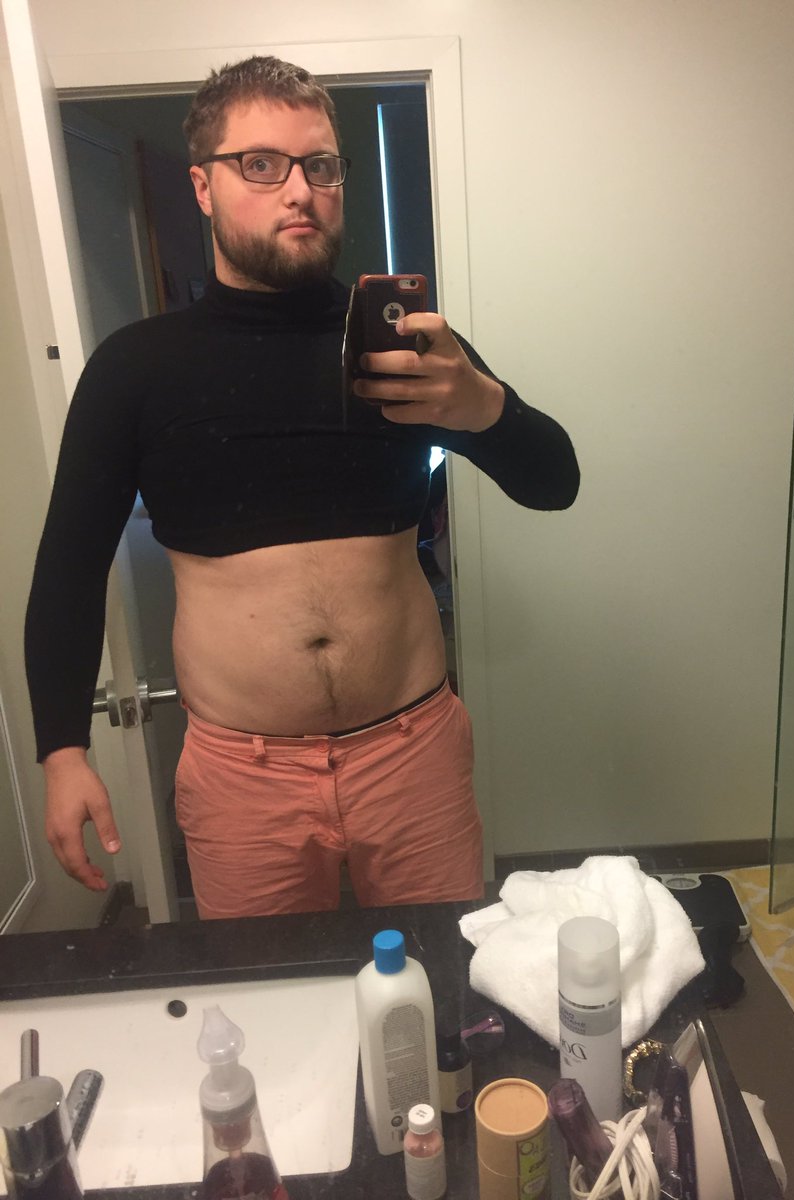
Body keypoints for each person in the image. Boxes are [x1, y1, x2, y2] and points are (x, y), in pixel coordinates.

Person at [24, 56, 579, 919]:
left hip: (414, 755)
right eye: (261, 164)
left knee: (441, 980)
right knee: (266, 994)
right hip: (243, 779)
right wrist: (62, 751)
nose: (300, 191)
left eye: (320, 166)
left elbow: (555, 483)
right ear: (203, 187)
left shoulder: (406, 348)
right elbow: (68, 568)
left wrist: (485, 406)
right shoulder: (135, 369)